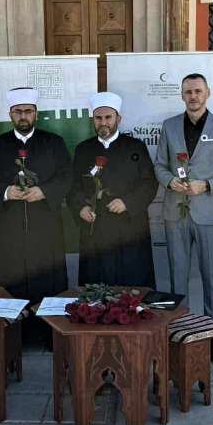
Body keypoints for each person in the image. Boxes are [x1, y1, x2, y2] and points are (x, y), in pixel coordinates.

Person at [154, 73, 213, 362]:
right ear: (182, 95)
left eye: (198, 91)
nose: (193, 96)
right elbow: (160, 165)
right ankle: (179, 332)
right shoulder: (169, 126)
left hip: (209, 213)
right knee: (177, 276)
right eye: (188, 91)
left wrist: (207, 185)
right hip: (175, 212)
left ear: (208, 93)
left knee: (211, 277)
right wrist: (169, 182)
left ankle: (211, 335)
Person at [0, 87, 71, 344]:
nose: (23, 116)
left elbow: (67, 176)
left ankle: (50, 337)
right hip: (10, 228)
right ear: (10, 114)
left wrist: (44, 191)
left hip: (46, 227)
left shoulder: (54, 143)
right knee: (12, 281)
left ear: (36, 114)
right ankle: (14, 340)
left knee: (48, 281)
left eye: (28, 111)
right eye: (18, 111)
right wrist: (6, 191)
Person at [68, 92, 158, 288]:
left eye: (108, 117)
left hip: (130, 230)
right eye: (98, 118)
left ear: (118, 118)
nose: (103, 123)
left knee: (131, 287)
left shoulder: (136, 147)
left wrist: (127, 202)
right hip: (95, 232)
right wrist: (81, 208)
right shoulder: (83, 149)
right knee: (96, 288)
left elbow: (149, 183)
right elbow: (73, 187)